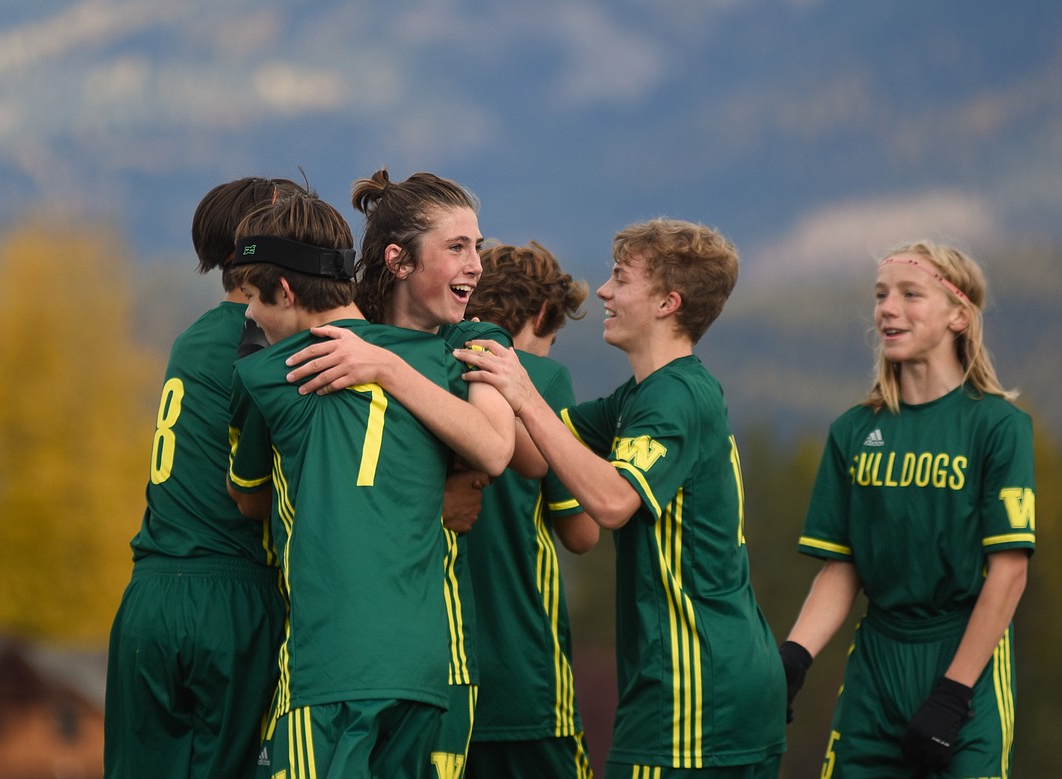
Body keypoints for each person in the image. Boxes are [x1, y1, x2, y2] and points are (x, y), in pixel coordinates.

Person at [455, 218, 786, 778]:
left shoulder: (673, 397)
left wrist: (522, 390)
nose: (604, 292)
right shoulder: (642, 395)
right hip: (701, 682)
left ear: (666, 303)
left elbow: (609, 504)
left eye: (620, 278)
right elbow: (537, 454)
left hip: (693, 688)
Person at [225, 184, 516, 779]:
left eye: (253, 297)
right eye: (458, 246)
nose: (477, 263)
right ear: (397, 260)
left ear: (282, 291)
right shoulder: (451, 357)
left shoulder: (281, 369)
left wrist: (385, 367)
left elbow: (247, 495)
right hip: (421, 663)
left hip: (336, 662)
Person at [779, 241, 1035, 778]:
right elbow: (842, 566)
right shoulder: (853, 431)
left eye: (909, 294)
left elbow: (1009, 573)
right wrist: (794, 659)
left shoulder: (996, 427)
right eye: (880, 295)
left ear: (958, 315)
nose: (887, 309)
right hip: (877, 662)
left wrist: (953, 693)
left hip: (966, 660)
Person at [104, 177, 297, 779]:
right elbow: (264, 494)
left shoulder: (190, 340)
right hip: (232, 596)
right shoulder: (273, 345)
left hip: (149, 596)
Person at [460, 241, 599, 779]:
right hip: (527, 671)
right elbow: (581, 531)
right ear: (542, 314)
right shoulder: (544, 382)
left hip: (445, 671)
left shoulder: (436, 369)